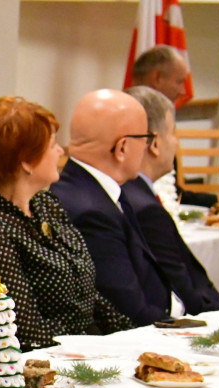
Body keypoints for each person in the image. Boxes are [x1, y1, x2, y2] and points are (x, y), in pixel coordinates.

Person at [0, 97, 132, 351]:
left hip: (82, 350)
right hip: (40, 369)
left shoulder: (44, 204)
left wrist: (131, 338)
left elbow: (84, 295)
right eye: (52, 144)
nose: (61, 151)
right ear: (26, 161)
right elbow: (25, 335)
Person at [50, 89, 173, 326]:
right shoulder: (90, 211)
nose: (147, 147)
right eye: (144, 139)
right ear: (123, 148)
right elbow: (130, 312)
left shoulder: (96, 190)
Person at [122, 85, 219, 313]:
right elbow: (186, 295)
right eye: (173, 133)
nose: (177, 143)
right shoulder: (144, 208)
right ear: (156, 144)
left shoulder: (132, 194)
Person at [132, 45, 216, 208]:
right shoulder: (127, 124)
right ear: (157, 78)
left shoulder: (161, 121)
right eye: (179, 82)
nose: (183, 91)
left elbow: (174, 194)